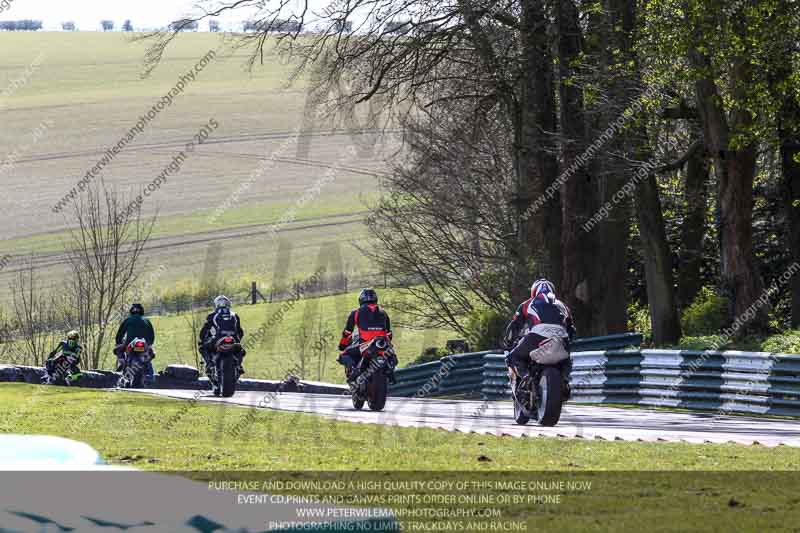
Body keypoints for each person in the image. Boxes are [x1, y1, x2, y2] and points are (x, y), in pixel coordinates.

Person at [504, 279, 576, 395]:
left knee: (512, 357)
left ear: (533, 292)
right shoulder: (563, 306)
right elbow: (571, 330)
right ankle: (565, 381)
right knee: (567, 359)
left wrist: (508, 344)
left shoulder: (527, 304)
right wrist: (568, 343)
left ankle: (526, 378)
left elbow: (514, 326)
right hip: (561, 338)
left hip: (537, 336)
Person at [337, 288, 393, 382]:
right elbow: (389, 334)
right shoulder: (384, 313)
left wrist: (342, 345)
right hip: (382, 344)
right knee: (392, 356)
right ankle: (390, 373)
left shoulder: (356, 313)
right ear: (376, 299)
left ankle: (354, 375)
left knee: (344, 355)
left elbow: (347, 332)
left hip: (365, 345)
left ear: (360, 300)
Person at [199, 295, 245, 376]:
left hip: (217, 340)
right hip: (233, 341)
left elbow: (203, 332)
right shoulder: (235, 315)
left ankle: (209, 364)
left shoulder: (211, 315)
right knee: (241, 350)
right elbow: (240, 332)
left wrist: (204, 339)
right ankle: (239, 365)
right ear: (228, 304)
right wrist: (237, 340)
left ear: (216, 305)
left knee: (202, 347)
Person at [114, 303, 156, 380]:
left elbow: (120, 334)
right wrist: (149, 344)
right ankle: (151, 375)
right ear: (142, 311)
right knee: (150, 354)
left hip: (130, 344)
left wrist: (118, 343)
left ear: (131, 311)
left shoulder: (128, 320)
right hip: (144, 345)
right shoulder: (146, 321)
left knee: (117, 350)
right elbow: (152, 336)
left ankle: (122, 362)